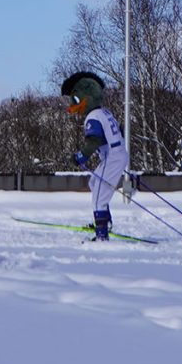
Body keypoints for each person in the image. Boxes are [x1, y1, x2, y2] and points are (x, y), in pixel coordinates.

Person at [61, 70, 129, 241]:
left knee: (99, 196)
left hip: (112, 156)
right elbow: (117, 131)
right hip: (115, 154)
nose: (74, 105)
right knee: (94, 182)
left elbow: (93, 141)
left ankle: (101, 235)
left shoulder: (93, 116)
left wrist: (80, 157)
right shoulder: (104, 112)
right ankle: (105, 222)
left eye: (76, 100)